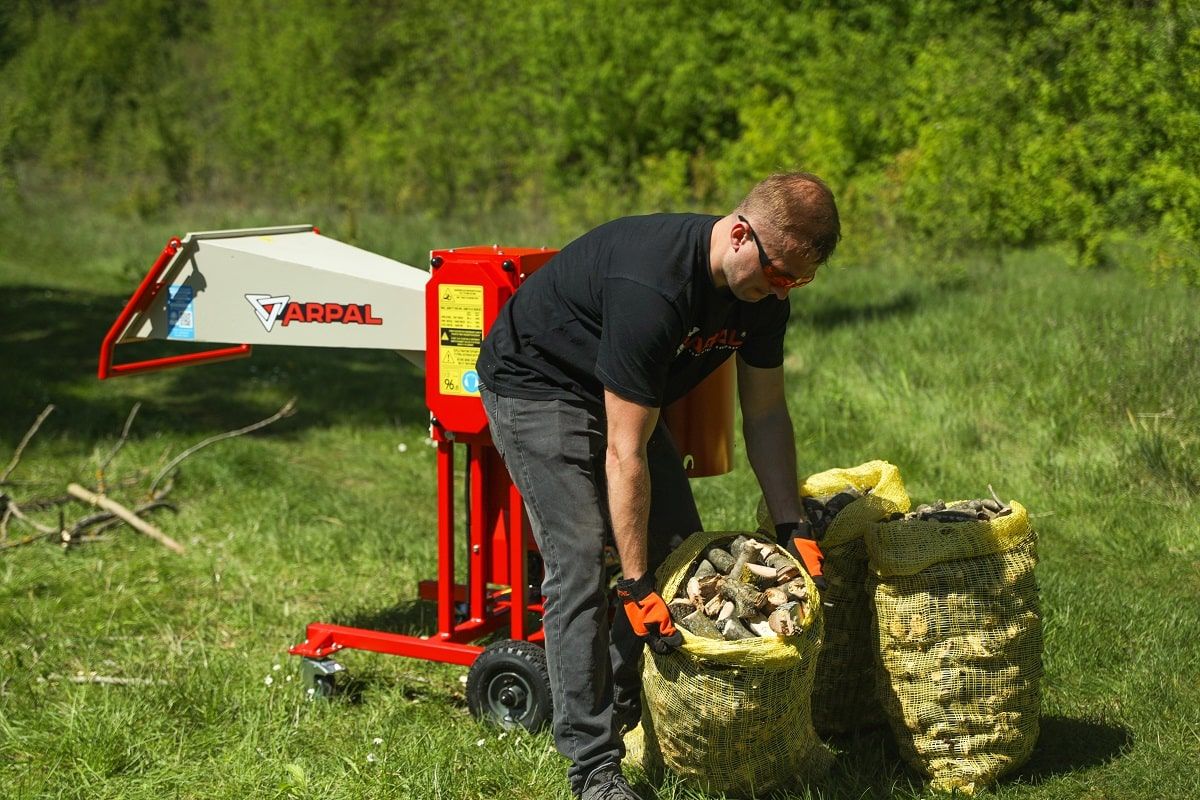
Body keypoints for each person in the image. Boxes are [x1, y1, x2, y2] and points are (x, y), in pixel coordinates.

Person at [476, 172, 840, 800]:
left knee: (682, 551)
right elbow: (624, 454)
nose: (783, 291)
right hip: (540, 383)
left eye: (798, 282)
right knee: (586, 561)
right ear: (740, 233)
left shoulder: (765, 298)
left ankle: (624, 710)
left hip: (622, 390)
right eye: (780, 274)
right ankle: (592, 769)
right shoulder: (655, 285)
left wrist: (792, 527)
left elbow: (767, 414)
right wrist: (636, 582)